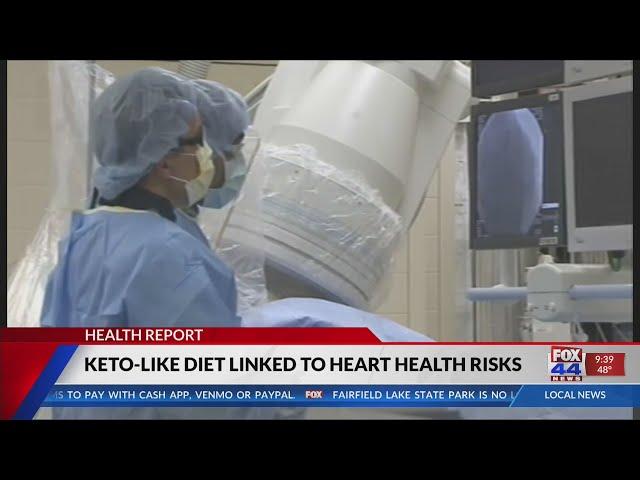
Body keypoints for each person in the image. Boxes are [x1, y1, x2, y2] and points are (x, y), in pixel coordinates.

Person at [41, 68, 252, 330]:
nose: (207, 153)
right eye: (198, 141)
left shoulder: (84, 234)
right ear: (164, 161)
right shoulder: (169, 254)